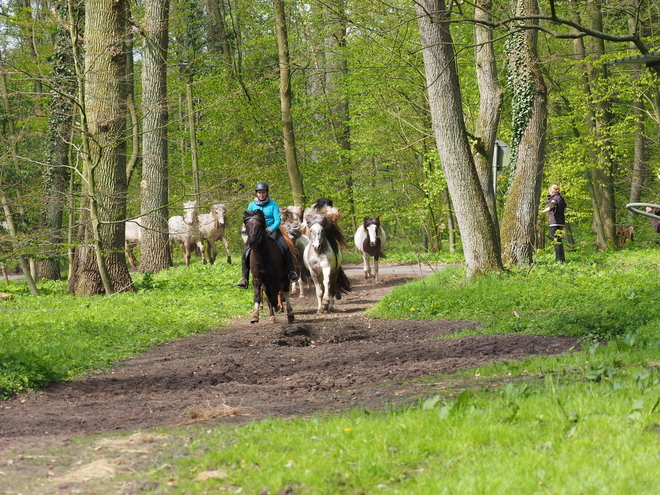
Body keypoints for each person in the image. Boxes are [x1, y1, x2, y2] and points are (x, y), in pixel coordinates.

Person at [237, 182, 299, 289]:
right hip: (256, 233)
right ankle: (244, 278)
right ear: (256, 194)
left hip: (271, 230)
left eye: (263, 192)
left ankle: (291, 272)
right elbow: (248, 220)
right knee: (246, 252)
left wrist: (272, 228)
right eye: (259, 192)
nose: (261, 194)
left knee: (285, 246)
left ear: (267, 193)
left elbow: (277, 220)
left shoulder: (273, 204)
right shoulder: (251, 205)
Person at [539, 184, 566, 262]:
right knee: (559, 240)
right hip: (561, 222)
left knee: (555, 241)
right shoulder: (561, 198)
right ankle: (562, 259)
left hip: (555, 222)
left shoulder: (555, 199)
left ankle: (558, 260)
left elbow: (551, 206)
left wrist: (543, 211)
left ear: (552, 191)